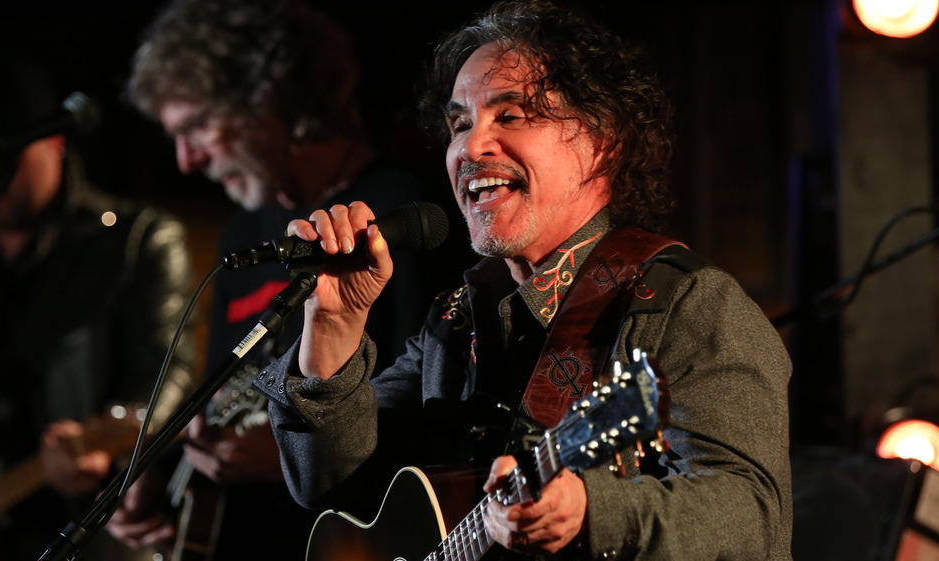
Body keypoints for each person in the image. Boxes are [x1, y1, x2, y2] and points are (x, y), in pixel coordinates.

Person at [256, 1, 794, 560]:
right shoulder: (457, 319)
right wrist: (335, 326)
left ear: (603, 140)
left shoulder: (690, 305)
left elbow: (751, 518)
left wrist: (592, 510)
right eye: (459, 123)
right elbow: (332, 488)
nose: (470, 146)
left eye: (509, 116)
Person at [106, 0, 461, 559]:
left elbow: (429, 411)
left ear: (269, 98)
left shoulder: (406, 215)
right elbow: (224, 393)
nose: (186, 161)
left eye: (198, 127)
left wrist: (291, 453)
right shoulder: (243, 234)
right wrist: (163, 475)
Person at [0, 54, 194, 561]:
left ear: (56, 143)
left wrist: (104, 446)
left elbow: (167, 385)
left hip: (93, 531)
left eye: (7, 158)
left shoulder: (138, 241)